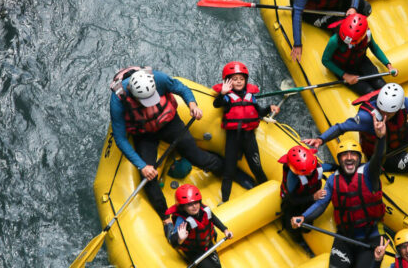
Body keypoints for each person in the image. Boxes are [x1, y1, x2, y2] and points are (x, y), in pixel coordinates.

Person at [109, 66, 247, 223]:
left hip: (169, 122)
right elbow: (120, 139)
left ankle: (229, 171)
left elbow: (182, 89)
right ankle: (165, 217)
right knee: (148, 178)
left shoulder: (159, 79)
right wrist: (142, 166)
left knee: (198, 158)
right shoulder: (118, 100)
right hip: (144, 134)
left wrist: (192, 105)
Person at [291, 122, 386, 268]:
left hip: (368, 240)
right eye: (344, 156)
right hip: (345, 238)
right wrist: (303, 217)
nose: (349, 158)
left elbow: (379, 157)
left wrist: (381, 138)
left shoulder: (369, 174)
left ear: (359, 158)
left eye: (353, 155)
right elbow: (321, 204)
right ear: (339, 160)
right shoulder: (333, 181)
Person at [304, 82, 408, 197]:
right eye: (382, 111)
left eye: (389, 113)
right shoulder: (367, 117)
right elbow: (341, 127)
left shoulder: (403, 103)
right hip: (385, 155)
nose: (384, 116)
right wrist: (320, 139)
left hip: (400, 138)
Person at [212, 62, 280, 203]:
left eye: (241, 79)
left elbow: (259, 111)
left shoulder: (250, 96)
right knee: (228, 172)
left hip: (249, 138)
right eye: (235, 79)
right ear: (228, 81)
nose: (238, 82)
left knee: (257, 168)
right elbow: (217, 104)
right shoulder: (226, 96)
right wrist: (222, 93)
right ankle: (225, 200)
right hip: (233, 139)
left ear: (246, 80)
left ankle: (268, 195)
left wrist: (269, 108)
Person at [163, 184, 233, 268]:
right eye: (189, 204)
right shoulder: (183, 221)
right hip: (193, 250)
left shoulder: (204, 209)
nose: (194, 206)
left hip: (206, 244)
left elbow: (213, 218)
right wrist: (180, 238)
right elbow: (174, 243)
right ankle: (167, 224)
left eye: (196, 202)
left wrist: (225, 229)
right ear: (182, 207)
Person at [322, 13, 397, 94]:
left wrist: (389, 66)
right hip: (344, 68)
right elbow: (325, 60)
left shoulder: (367, 34)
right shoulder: (334, 41)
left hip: (362, 62)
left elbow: (375, 48)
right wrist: (345, 75)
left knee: (380, 84)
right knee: (369, 91)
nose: (348, 43)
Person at [278, 144, 334, 245]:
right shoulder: (293, 179)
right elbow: (292, 200)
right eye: (308, 172)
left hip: (308, 198)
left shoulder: (316, 167)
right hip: (294, 203)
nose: (311, 172)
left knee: (307, 228)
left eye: (312, 170)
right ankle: (297, 239)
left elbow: (330, 166)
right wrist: (313, 197)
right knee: (292, 227)